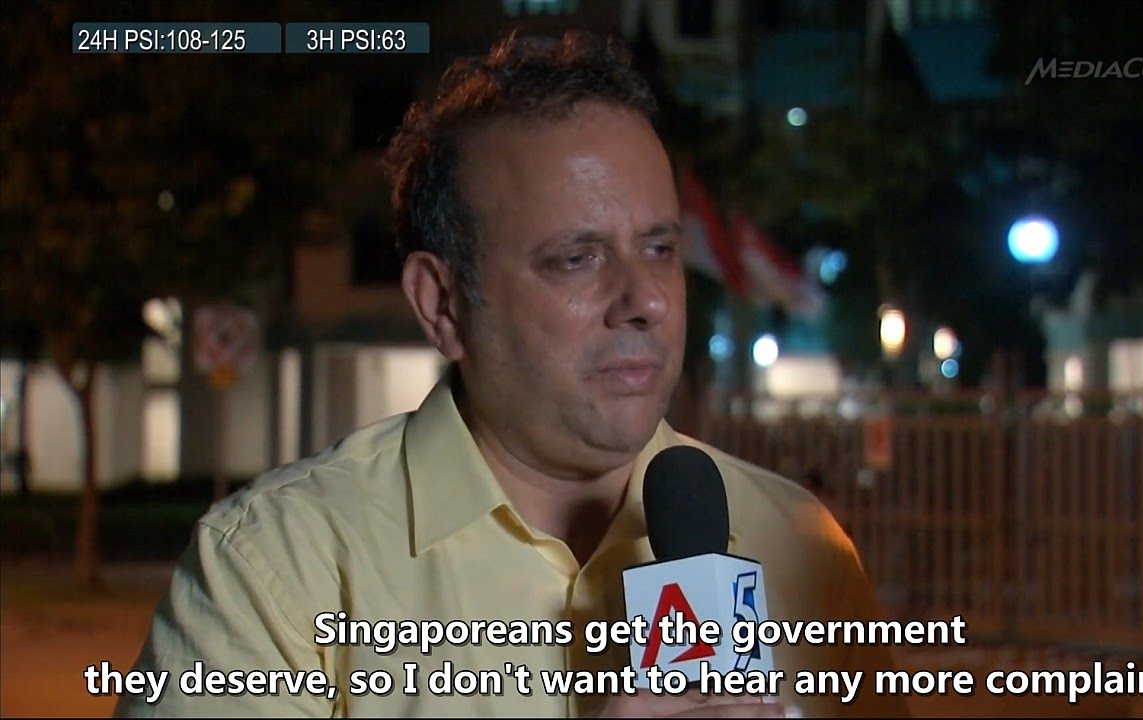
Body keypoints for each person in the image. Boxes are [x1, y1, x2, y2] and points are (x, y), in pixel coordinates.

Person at [115, 31, 908, 719]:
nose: (645, 301)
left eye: (660, 249)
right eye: (577, 258)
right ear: (443, 303)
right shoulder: (276, 568)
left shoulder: (800, 545)